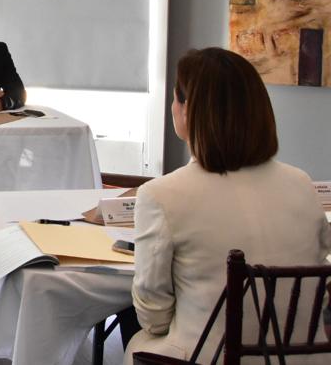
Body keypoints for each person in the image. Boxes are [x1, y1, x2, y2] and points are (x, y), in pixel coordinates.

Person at [124, 47, 331, 365]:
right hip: (303, 358)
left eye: (176, 98)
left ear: (187, 109)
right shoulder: (301, 183)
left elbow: (153, 314)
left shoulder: (161, 195)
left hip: (210, 358)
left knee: (138, 340)